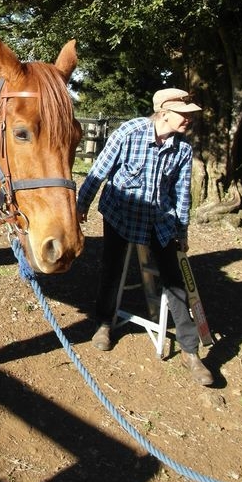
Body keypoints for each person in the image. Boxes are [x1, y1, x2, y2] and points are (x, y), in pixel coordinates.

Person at [76, 88, 214, 386]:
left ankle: (191, 351)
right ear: (163, 113)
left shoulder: (183, 149)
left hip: (159, 220)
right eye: (184, 114)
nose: (189, 120)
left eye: (190, 115)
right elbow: (99, 171)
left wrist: (182, 231)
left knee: (175, 283)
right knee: (111, 270)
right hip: (121, 213)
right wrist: (81, 205)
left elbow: (181, 195)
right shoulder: (129, 133)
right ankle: (103, 324)